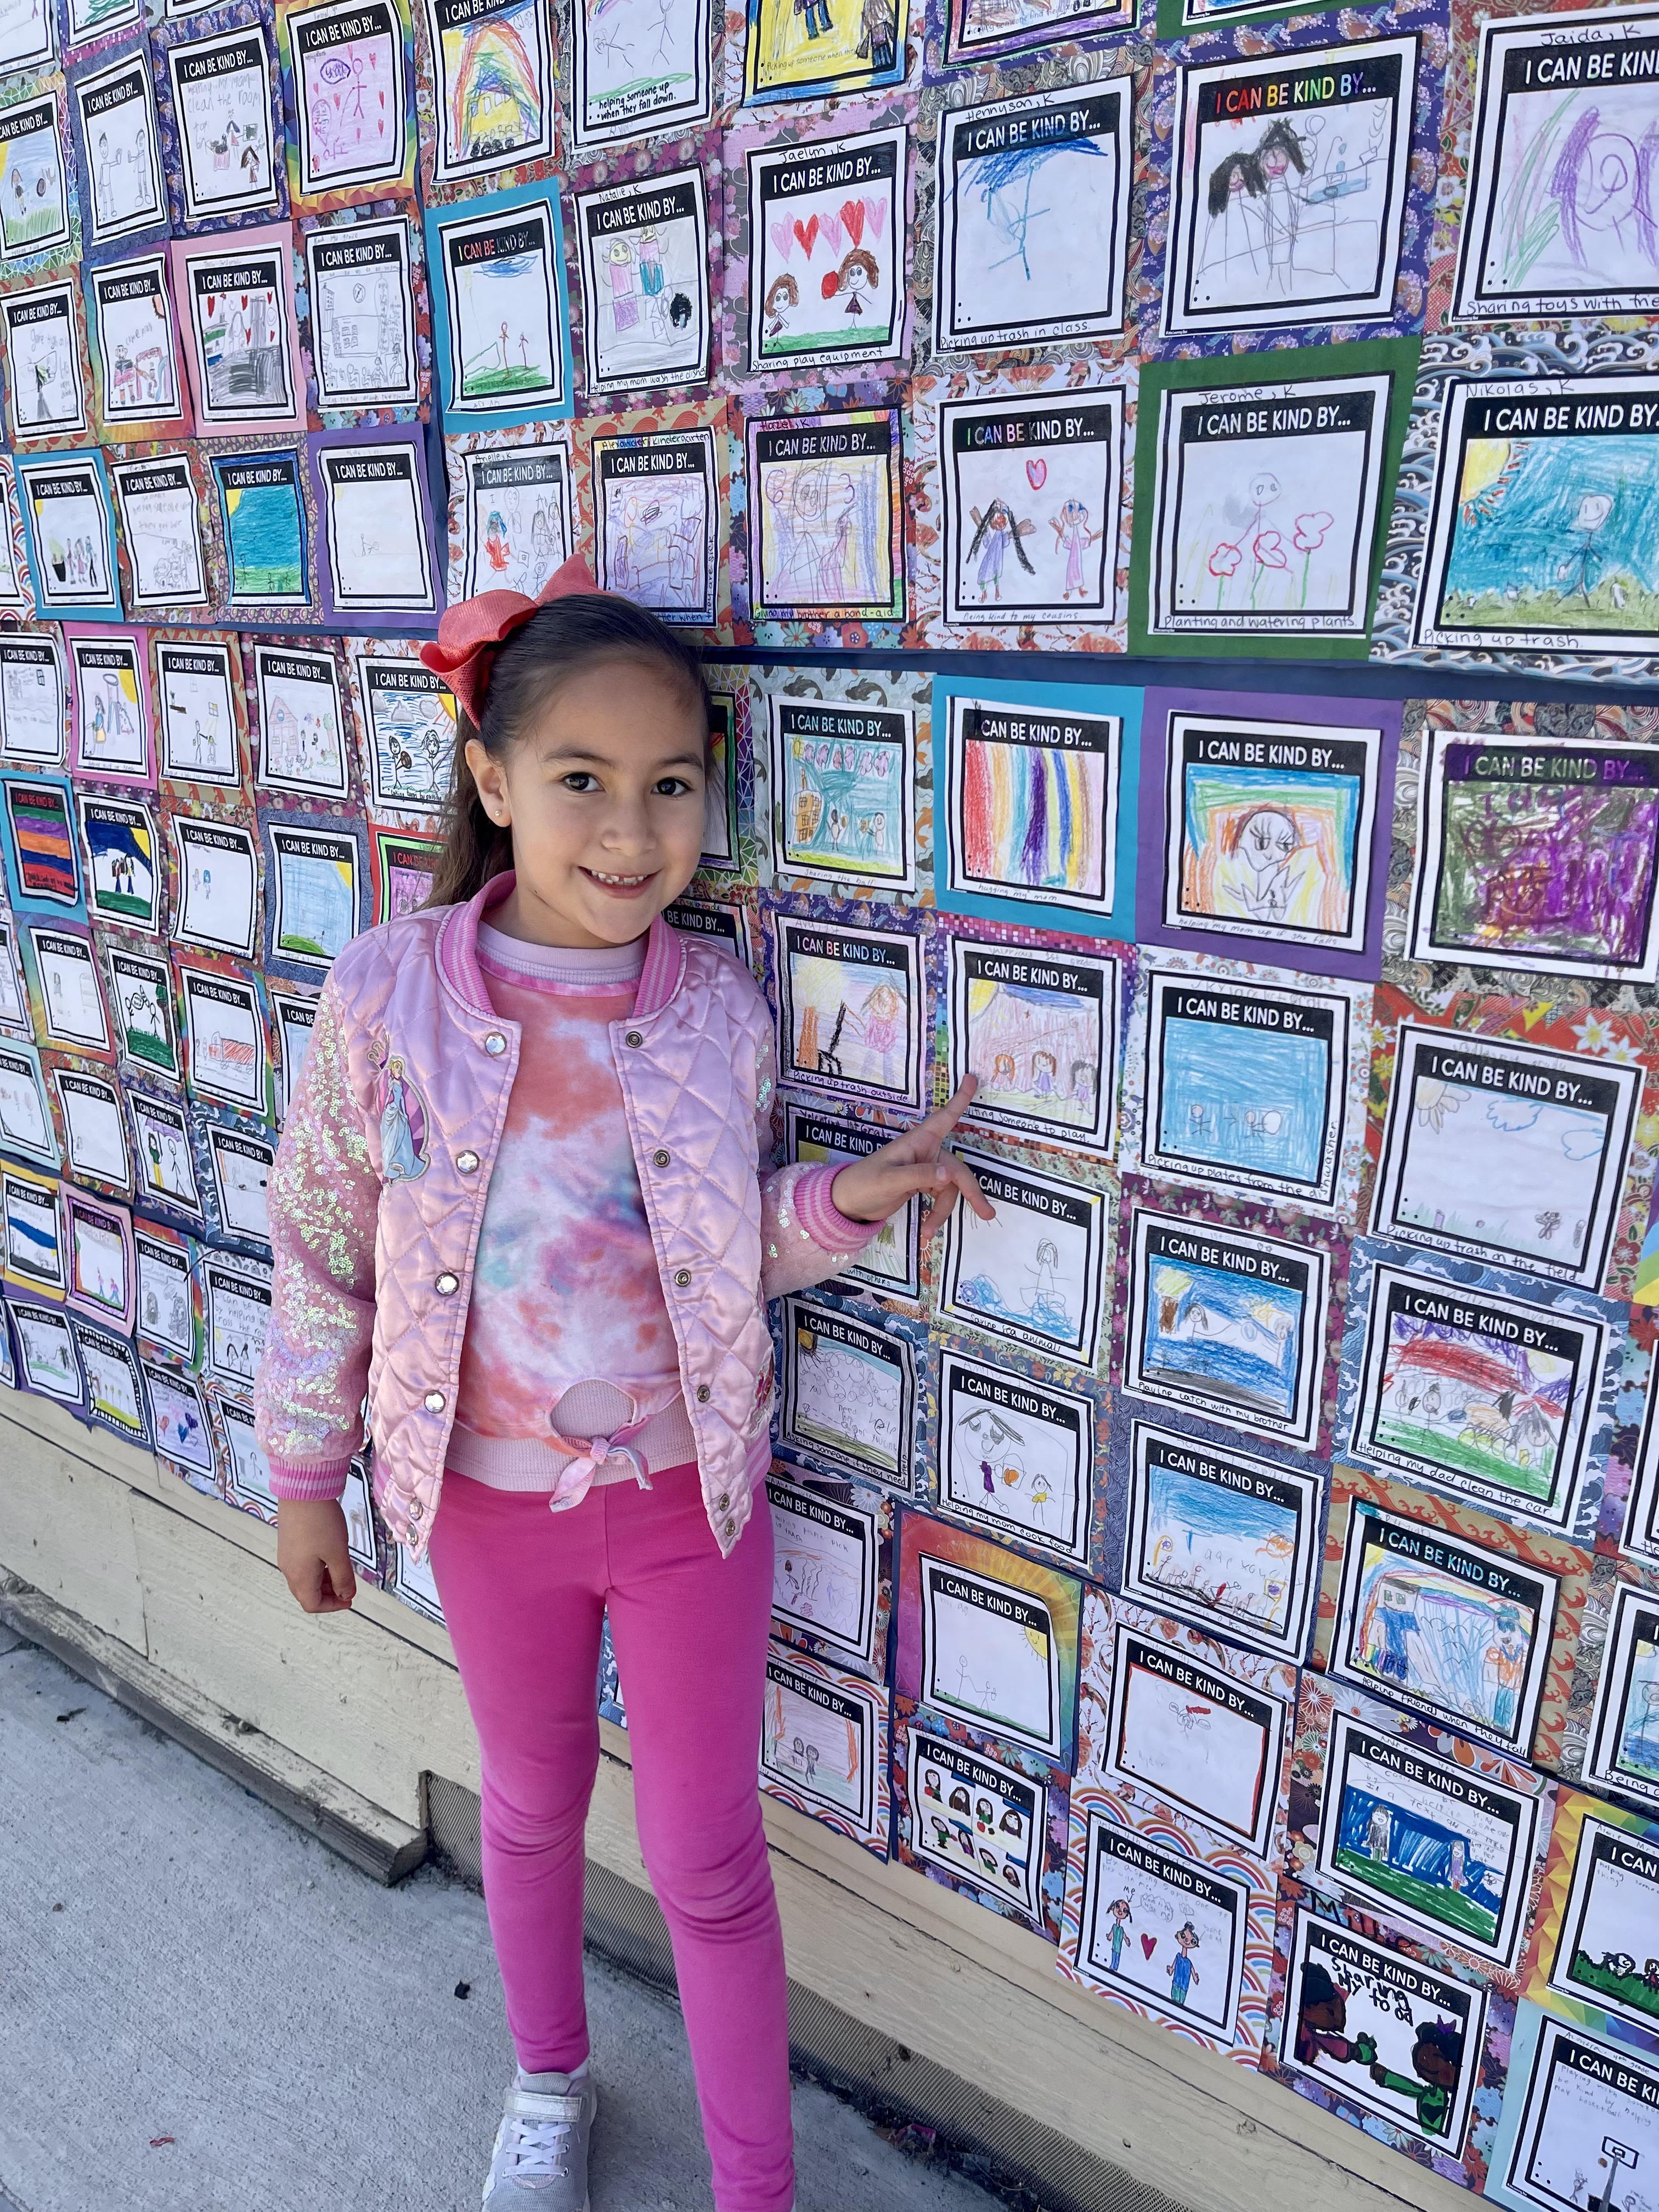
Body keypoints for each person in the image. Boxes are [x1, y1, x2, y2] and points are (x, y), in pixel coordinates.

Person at [253, 557, 994, 2212]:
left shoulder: (717, 1009)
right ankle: (547, 2084)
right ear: (492, 779)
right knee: (529, 1811)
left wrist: (845, 1203)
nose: (631, 830)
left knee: (709, 1859)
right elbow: (323, 1247)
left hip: (684, 1508)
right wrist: (304, 1479)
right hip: (485, 1510)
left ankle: (756, 2188)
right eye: (580, 780)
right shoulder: (386, 995)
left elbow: (727, 1254)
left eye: (670, 786)